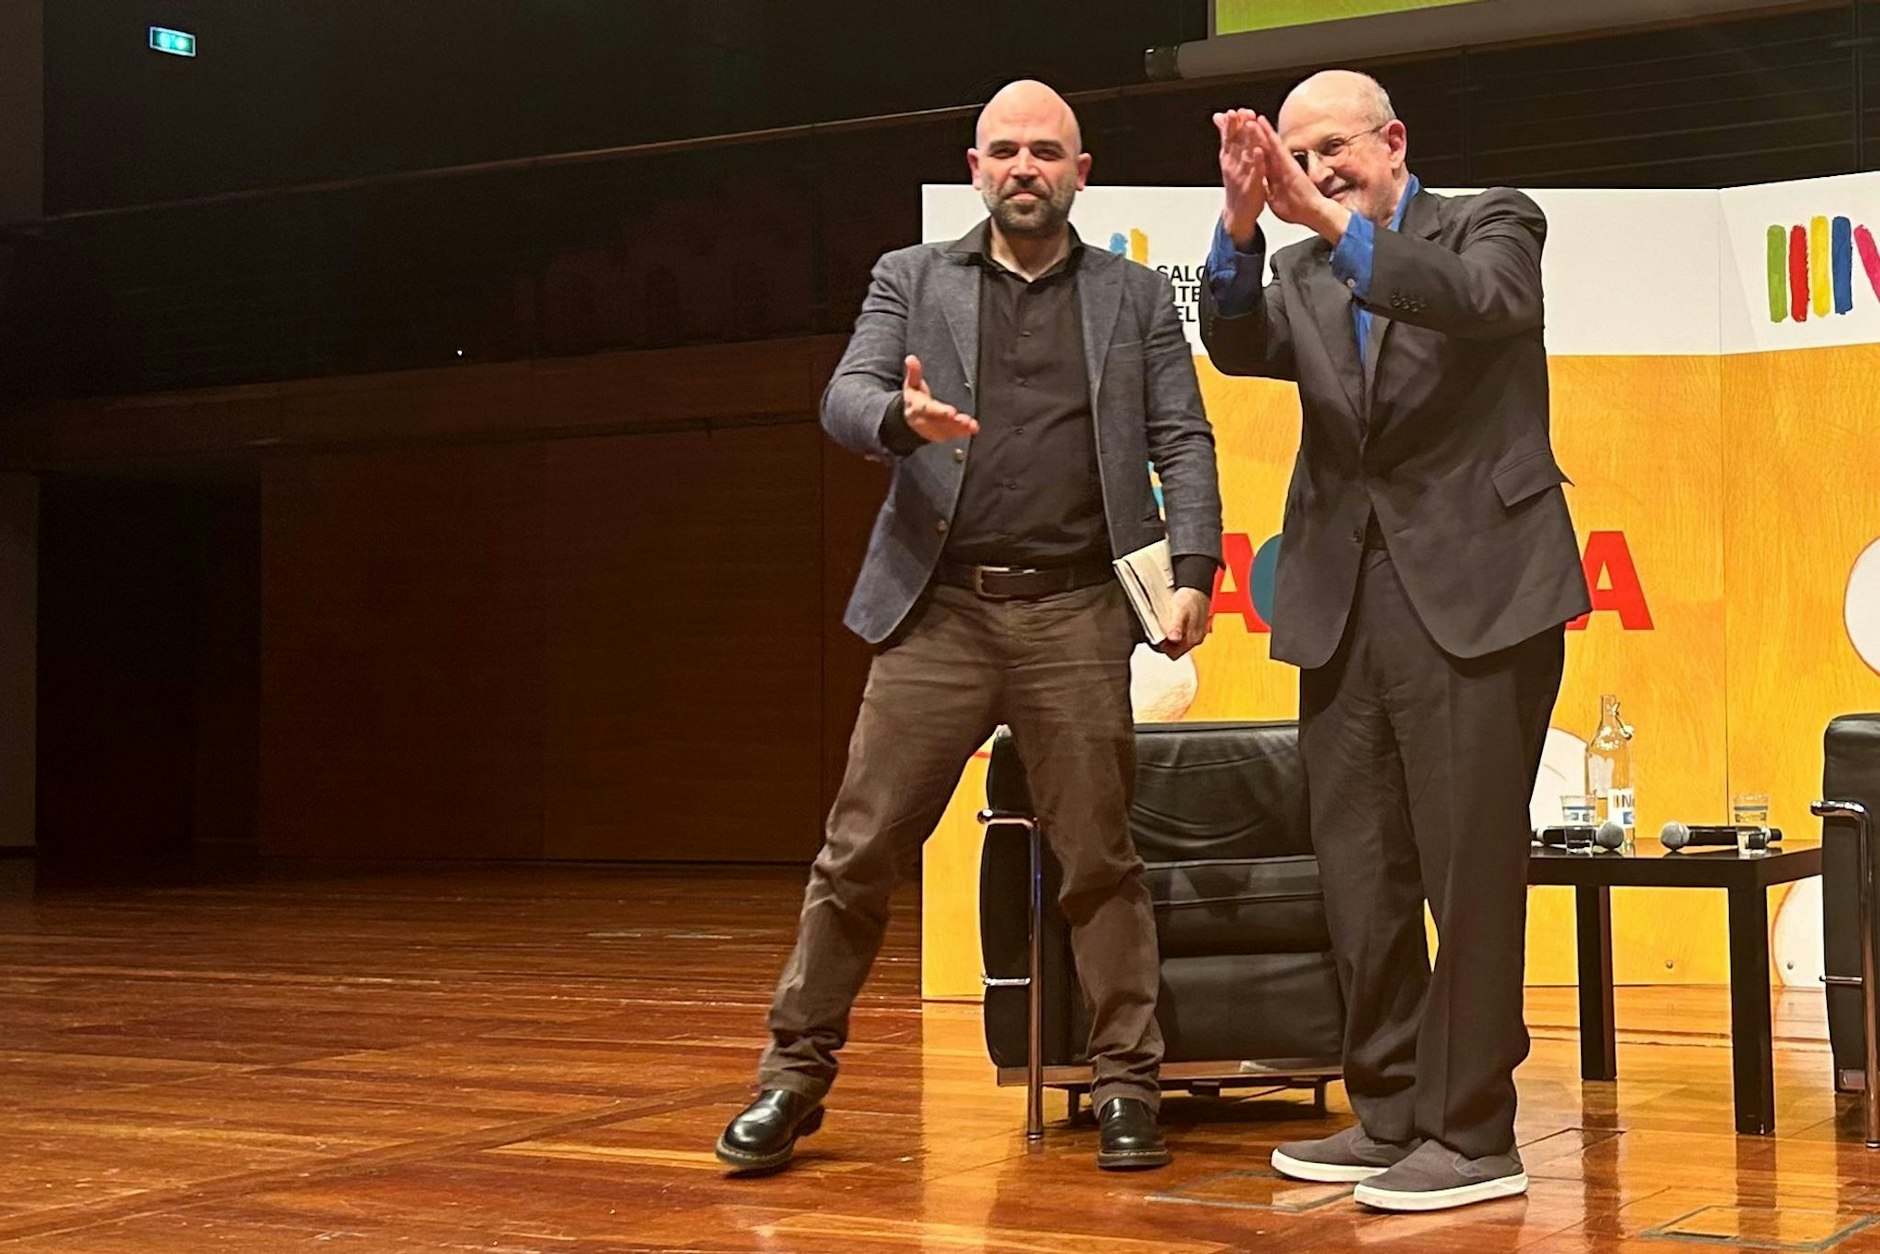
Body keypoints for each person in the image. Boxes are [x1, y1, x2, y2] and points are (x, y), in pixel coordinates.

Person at [714, 79, 1222, 1175]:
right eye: (1004, 151)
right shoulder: (911, 278)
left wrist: (1191, 571)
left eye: (1045, 151)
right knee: (857, 855)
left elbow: (1183, 439)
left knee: (1098, 860)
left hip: (1078, 611)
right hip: (937, 611)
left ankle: (1127, 1083)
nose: (1023, 168)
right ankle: (790, 1080)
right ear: (975, 168)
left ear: (1080, 173)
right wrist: (899, 418)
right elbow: (842, 396)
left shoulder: (1132, 296)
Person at [1199, 70, 1590, 1212]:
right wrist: (1235, 226)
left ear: (1393, 141)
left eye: (1335, 150)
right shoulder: (1299, 269)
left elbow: (1479, 302)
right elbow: (1234, 342)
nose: (1318, 172)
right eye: (1299, 158)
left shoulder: (1490, 222)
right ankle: (1387, 1114)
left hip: (1473, 592)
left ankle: (1472, 1137)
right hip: (1340, 598)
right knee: (1360, 872)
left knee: (1467, 872)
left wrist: (1323, 222)